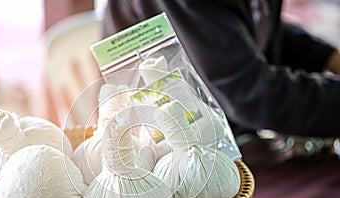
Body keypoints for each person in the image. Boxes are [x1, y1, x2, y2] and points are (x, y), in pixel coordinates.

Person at [102, 0, 340, 138]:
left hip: (233, 136)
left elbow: (254, 28)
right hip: (171, 159)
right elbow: (250, 95)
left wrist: (328, 57)